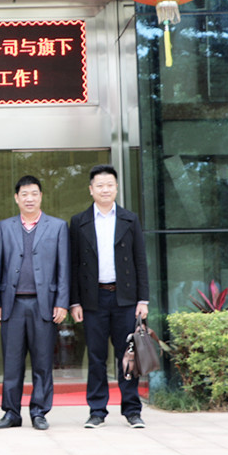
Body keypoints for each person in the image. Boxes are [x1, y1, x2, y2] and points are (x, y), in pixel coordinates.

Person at [69, 164, 150, 429]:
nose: (105, 189)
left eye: (109, 185)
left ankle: (132, 410)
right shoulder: (79, 222)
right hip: (93, 300)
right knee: (96, 357)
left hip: (125, 299)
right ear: (91, 189)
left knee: (128, 356)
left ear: (116, 188)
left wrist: (143, 300)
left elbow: (140, 261)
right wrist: (75, 301)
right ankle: (97, 411)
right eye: (100, 185)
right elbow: (73, 264)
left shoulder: (130, 219)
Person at [0, 175, 69, 430]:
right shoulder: (4, 227)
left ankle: (39, 412)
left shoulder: (57, 227)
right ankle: (11, 413)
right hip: (12, 305)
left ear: (41, 196)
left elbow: (63, 268)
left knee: (42, 362)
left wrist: (62, 302)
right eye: (24, 194)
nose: (29, 198)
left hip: (43, 305)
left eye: (34, 193)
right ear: (16, 198)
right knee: (11, 363)